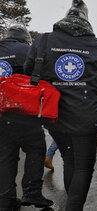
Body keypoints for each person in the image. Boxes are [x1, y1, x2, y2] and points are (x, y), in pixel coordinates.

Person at [23, 0, 97, 210]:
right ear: (87, 21)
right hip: (86, 115)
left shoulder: (44, 40)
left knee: (69, 161)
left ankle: (72, 205)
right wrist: (87, 78)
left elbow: (30, 71)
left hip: (55, 114)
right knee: (83, 168)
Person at [0, 24, 54, 210]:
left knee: (5, 156)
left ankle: (6, 199)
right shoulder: (29, 50)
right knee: (35, 149)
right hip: (24, 111)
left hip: (1, 113)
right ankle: (32, 192)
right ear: (25, 39)